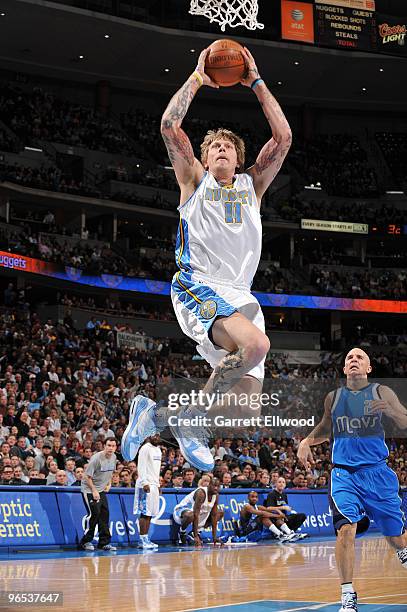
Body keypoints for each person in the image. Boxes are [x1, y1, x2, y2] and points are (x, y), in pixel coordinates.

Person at [121, 44, 292, 471]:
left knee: (246, 413)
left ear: (238, 157)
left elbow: (284, 138)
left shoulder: (251, 186)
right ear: (204, 155)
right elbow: (168, 125)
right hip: (199, 284)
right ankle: (193, 423)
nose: (219, 151)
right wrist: (198, 76)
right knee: (256, 345)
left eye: (226, 148)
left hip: (242, 297)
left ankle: (154, 417)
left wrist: (254, 81)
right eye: (212, 146)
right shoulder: (194, 180)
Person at [298, 347, 407, 612]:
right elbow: (326, 428)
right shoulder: (333, 398)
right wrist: (307, 440)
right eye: (349, 358)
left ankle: (402, 549)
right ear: (345, 369)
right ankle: (348, 595)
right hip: (344, 474)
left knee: (396, 539)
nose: (354, 360)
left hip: (378, 474)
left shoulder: (382, 392)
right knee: (345, 528)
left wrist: (391, 412)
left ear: (368, 368)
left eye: (359, 357)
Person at [79, 437, 117, 552]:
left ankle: (104, 543)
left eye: (113, 446)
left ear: (115, 447)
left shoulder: (114, 457)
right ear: (104, 446)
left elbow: (110, 473)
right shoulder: (96, 459)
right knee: (94, 514)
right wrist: (94, 491)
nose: (110, 448)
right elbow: (87, 477)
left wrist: (109, 483)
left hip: (101, 490)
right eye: (108, 445)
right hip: (89, 490)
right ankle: (86, 541)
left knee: (104, 515)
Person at [173, 477, 224, 546]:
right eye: (214, 485)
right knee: (191, 515)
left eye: (218, 486)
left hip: (196, 514)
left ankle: (196, 532)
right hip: (181, 511)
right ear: (209, 485)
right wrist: (195, 536)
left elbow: (213, 516)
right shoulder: (201, 493)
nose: (216, 488)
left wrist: (214, 537)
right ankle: (182, 532)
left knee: (219, 513)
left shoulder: (216, 495)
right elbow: (196, 514)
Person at [134, 433, 162, 550]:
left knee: (150, 513)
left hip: (154, 484)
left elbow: (156, 470)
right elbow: (141, 466)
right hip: (145, 484)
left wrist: (158, 484)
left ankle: (146, 538)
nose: (156, 437)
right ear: (149, 436)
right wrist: (144, 482)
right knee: (144, 513)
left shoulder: (158, 450)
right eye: (154, 435)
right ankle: (142, 539)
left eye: (158, 435)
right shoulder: (145, 448)